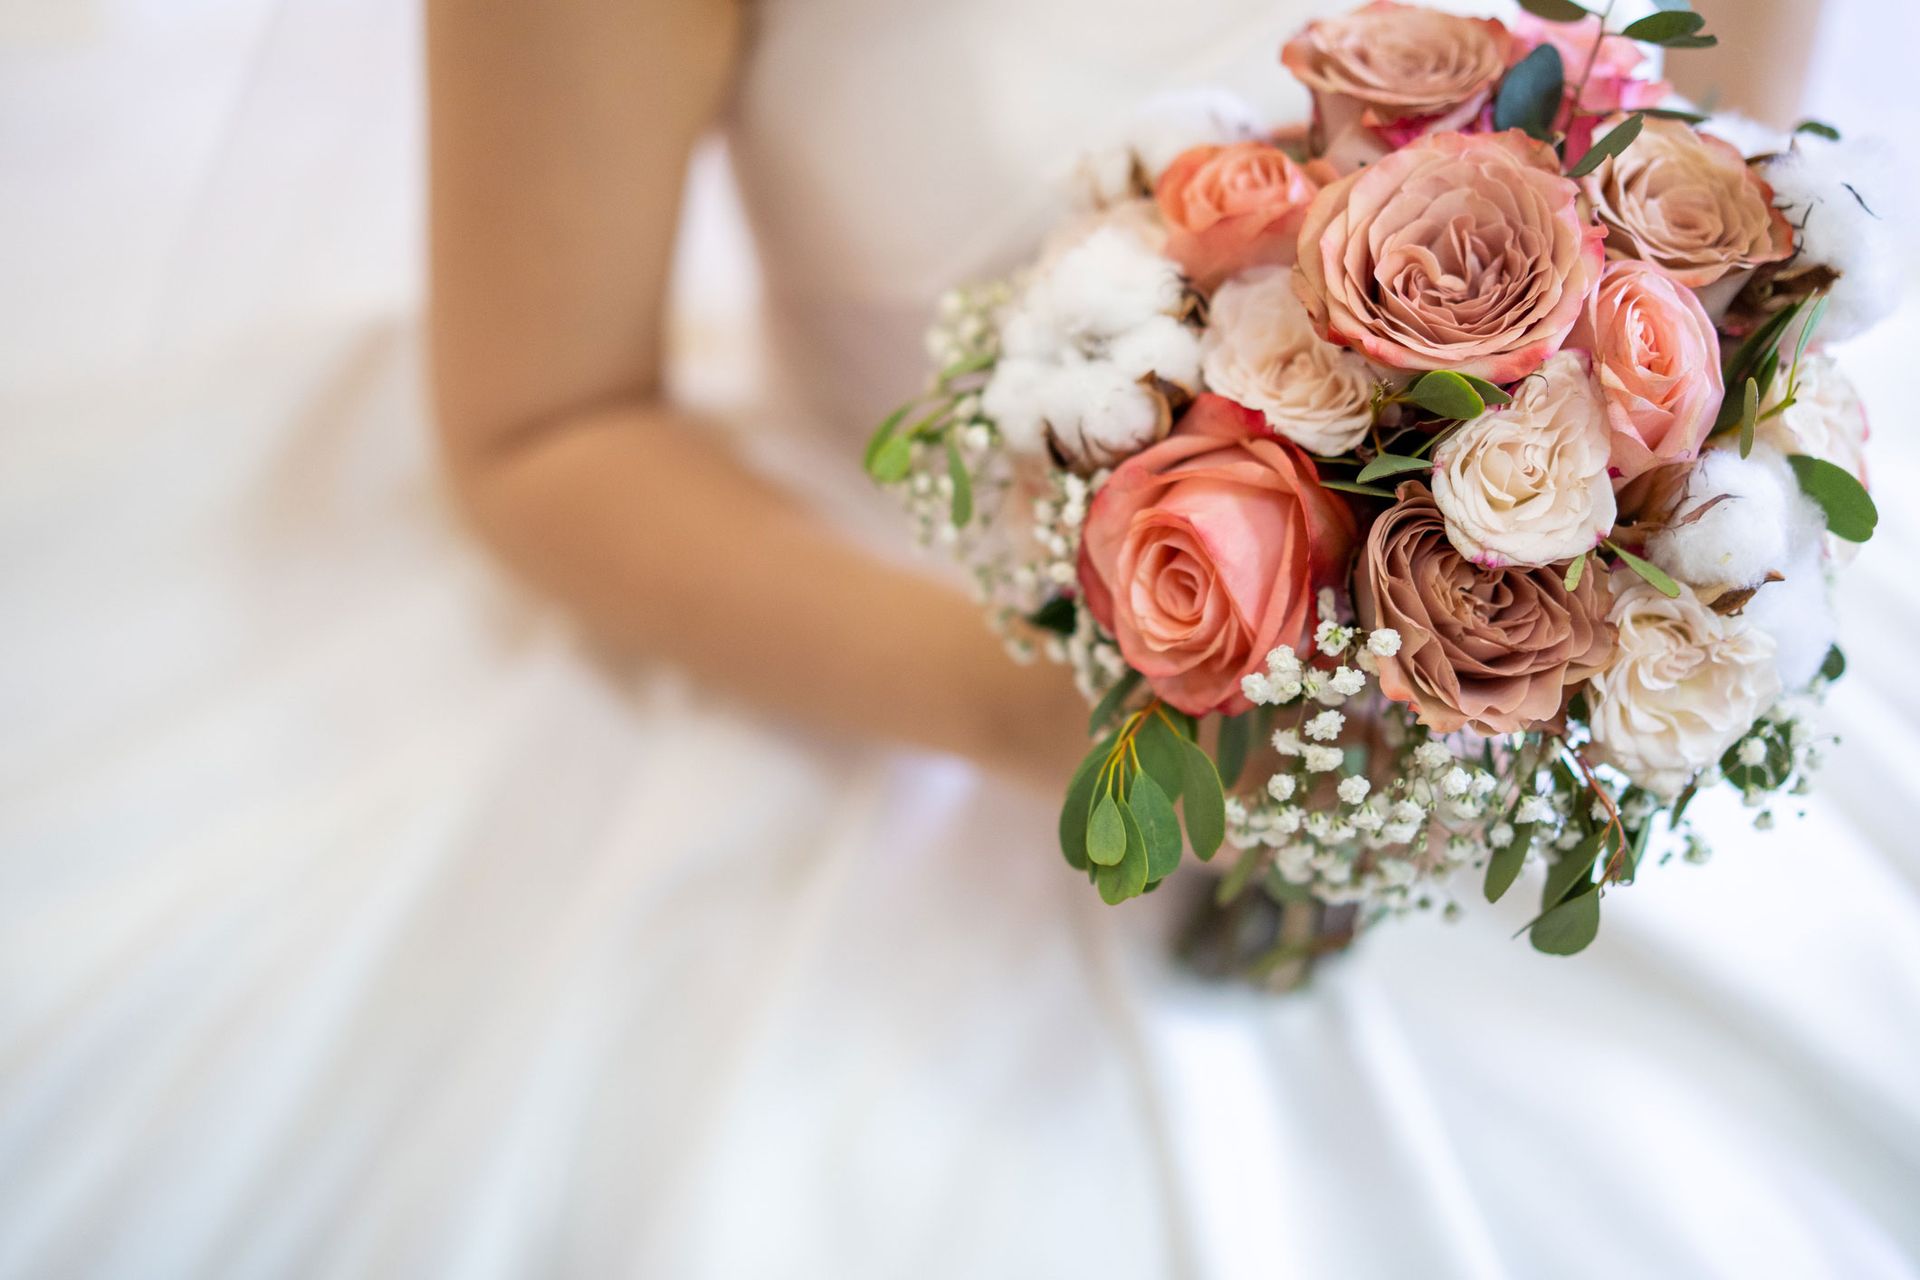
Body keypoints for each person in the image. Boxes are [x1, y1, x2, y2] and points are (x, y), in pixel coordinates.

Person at [408, 1, 1913, 1276]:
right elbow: (546, 426)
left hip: (1567, 726)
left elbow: (1721, 218)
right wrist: (1073, 723)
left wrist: (1576, 583)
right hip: (905, 646)